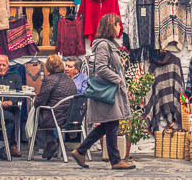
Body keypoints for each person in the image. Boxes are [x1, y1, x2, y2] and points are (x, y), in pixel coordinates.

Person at [72, 13, 135, 171]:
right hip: (106, 91)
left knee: (109, 123)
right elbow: (101, 68)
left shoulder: (110, 44)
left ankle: (81, 151)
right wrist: (117, 79)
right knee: (111, 123)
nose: (120, 27)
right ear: (111, 26)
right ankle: (115, 160)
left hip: (110, 90)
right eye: (117, 24)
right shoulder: (103, 45)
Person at [33, 54, 77, 160]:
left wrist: (34, 102)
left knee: (37, 114)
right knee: (45, 113)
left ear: (48, 66)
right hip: (70, 116)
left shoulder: (49, 80)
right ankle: (51, 142)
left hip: (56, 116)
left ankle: (48, 143)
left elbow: (40, 101)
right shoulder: (69, 79)